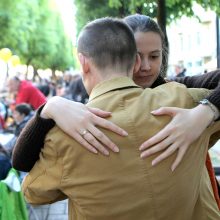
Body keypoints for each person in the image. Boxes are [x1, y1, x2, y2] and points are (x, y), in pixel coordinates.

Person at [21, 17, 220, 219]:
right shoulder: (185, 100)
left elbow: (31, 190)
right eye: (141, 57)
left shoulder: (67, 132)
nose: (145, 67)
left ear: (83, 62)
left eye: (154, 56)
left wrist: (48, 109)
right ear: (133, 61)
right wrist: (206, 111)